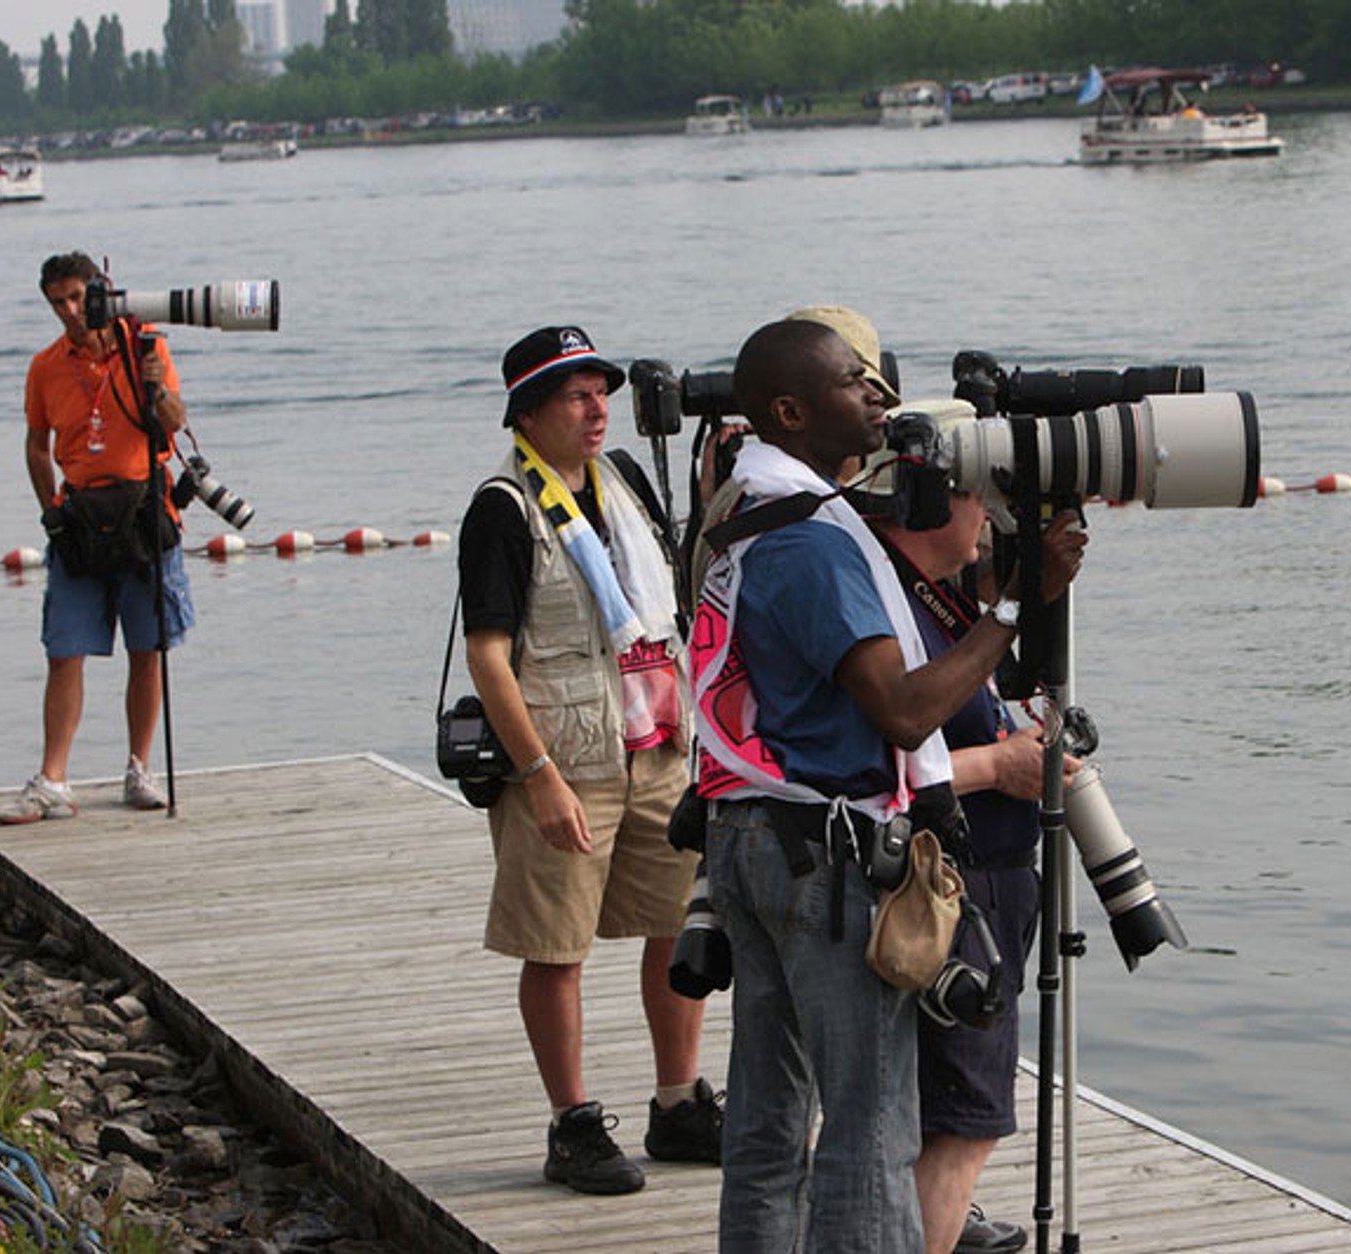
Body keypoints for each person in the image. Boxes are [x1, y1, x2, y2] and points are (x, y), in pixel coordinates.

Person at [691, 317, 1085, 1253]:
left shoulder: (746, 513)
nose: (878, 396)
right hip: (821, 858)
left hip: (754, 833)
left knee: (770, 1125)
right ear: (789, 410)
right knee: (871, 1132)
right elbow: (904, 713)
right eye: (852, 383)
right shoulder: (812, 543)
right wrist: (1015, 603)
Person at [459, 325, 722, 1196]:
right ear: (527, 413)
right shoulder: (502, 506)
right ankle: (572, 1124)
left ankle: (678, 1104)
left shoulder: (626, 482)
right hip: (568, 759)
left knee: (675, 930)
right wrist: (537, 778)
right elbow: (489, 655)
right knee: (557, 947)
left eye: (601, 389)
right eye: (576, 394)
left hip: (658, 746)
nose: (598, 406)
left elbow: (675, 603)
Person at [858, 405, 1073, 1254]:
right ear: (926, 499)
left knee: (921, 1117)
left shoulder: (911, 592)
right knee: (963, 1125)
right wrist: (1002, 766)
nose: (990, 514)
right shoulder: (894, 607)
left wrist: (1031, 590)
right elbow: (885, 753)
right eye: (980, 494)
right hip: (947, 892)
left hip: (964, 880)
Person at [0, 252, 193, 826]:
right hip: (79, 516)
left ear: (101, 291)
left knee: (148, 649)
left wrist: (156, 386)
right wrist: (48, 509)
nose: (70, 311)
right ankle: (52, 779)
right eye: (58, 302)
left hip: (143, 509)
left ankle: (140, 767)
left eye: (78, 298)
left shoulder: (145, 350)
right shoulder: (45, 366)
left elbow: (176, 422)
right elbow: (36, 443)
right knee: (64, 649)